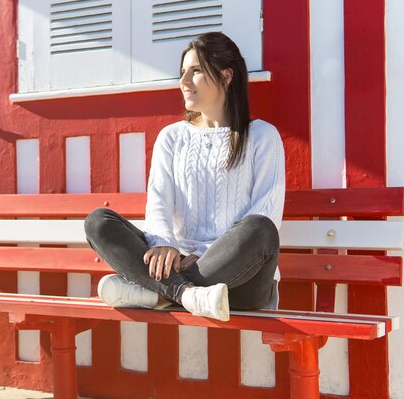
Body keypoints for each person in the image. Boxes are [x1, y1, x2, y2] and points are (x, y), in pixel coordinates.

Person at [84, 32, 285, 322]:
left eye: (196, 71)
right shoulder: (172, 138)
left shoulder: (262, 136)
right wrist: (164, 244)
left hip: (240, 283)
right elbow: (159, 202)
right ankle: (186, 296)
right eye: (182, 73)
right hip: (181, 268)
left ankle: (158, 293)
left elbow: (267, 211)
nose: (184, 81)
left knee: (260, 228)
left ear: (227, 76)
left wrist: (202, 258)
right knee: (98, 222)